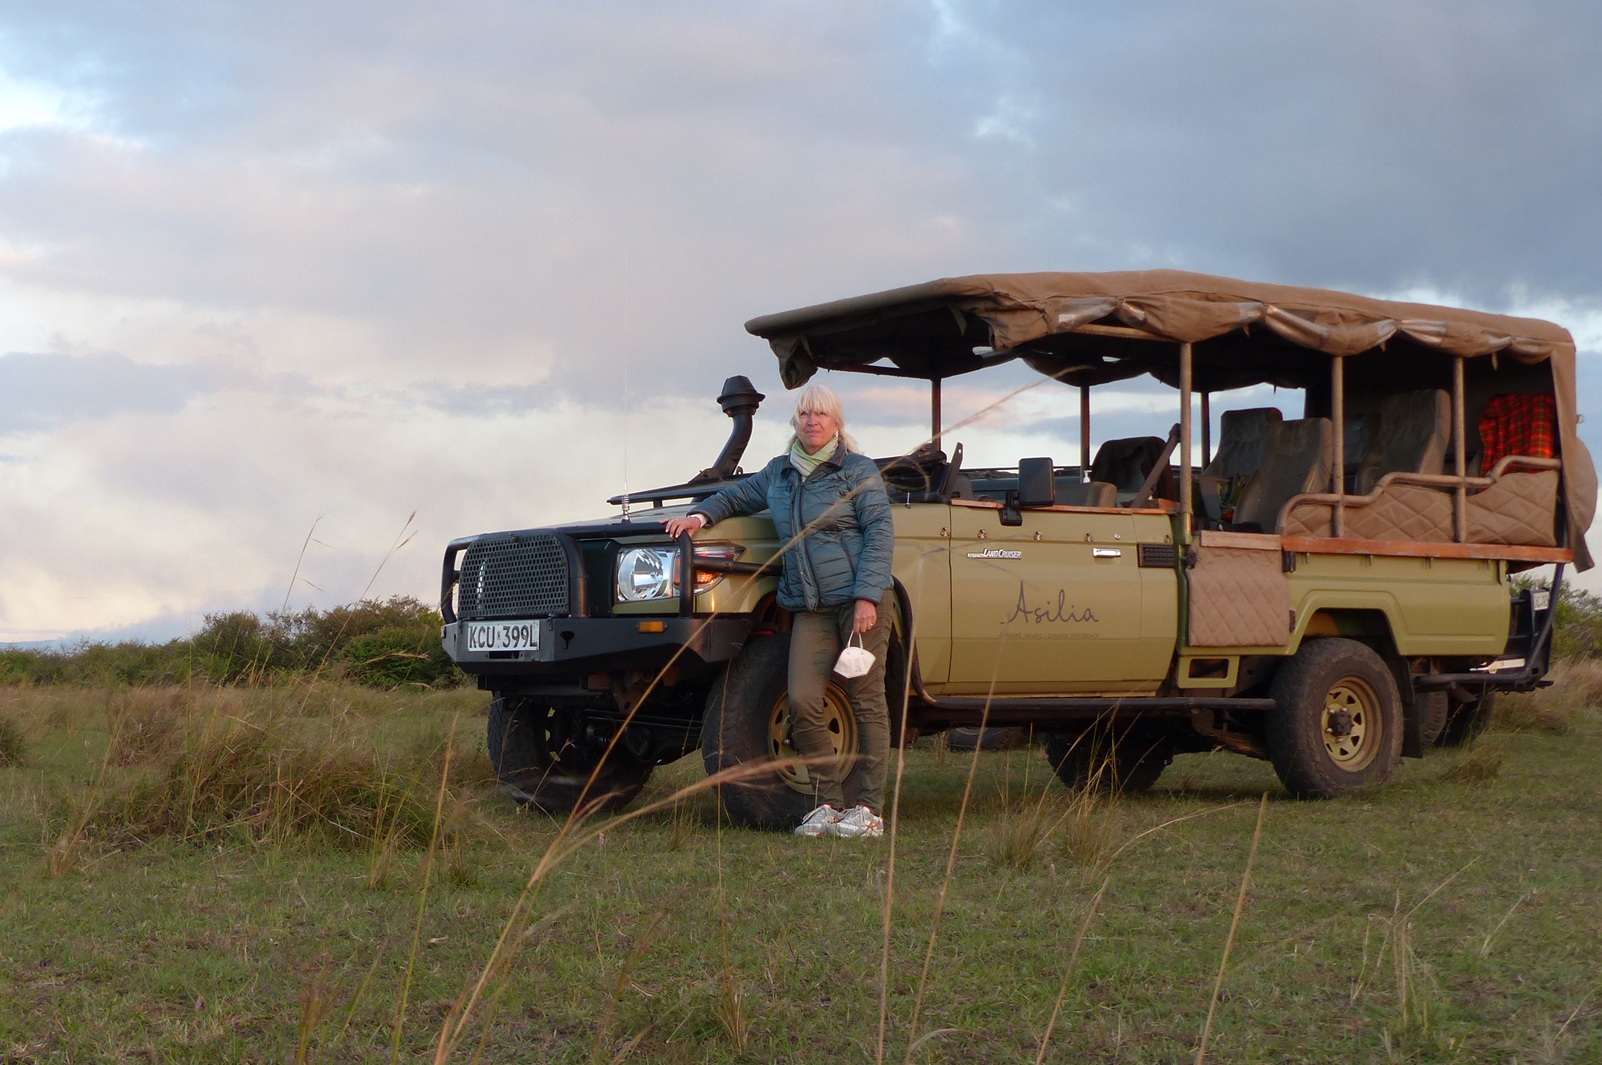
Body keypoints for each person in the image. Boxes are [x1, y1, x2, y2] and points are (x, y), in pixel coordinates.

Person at [664, 383, 895, 839]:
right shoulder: (780, 473)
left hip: (859, 606)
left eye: (821, 415)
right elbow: (733, 497)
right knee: (804, 700)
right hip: (809, 608)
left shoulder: (858, 471)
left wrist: (867, 597)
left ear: (836, 423)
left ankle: (868, 809)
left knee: (867, 702)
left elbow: (880, 534)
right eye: (805, 414)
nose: (812, 421)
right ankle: (829, 802)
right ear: (795, 422)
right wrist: (698, 517)